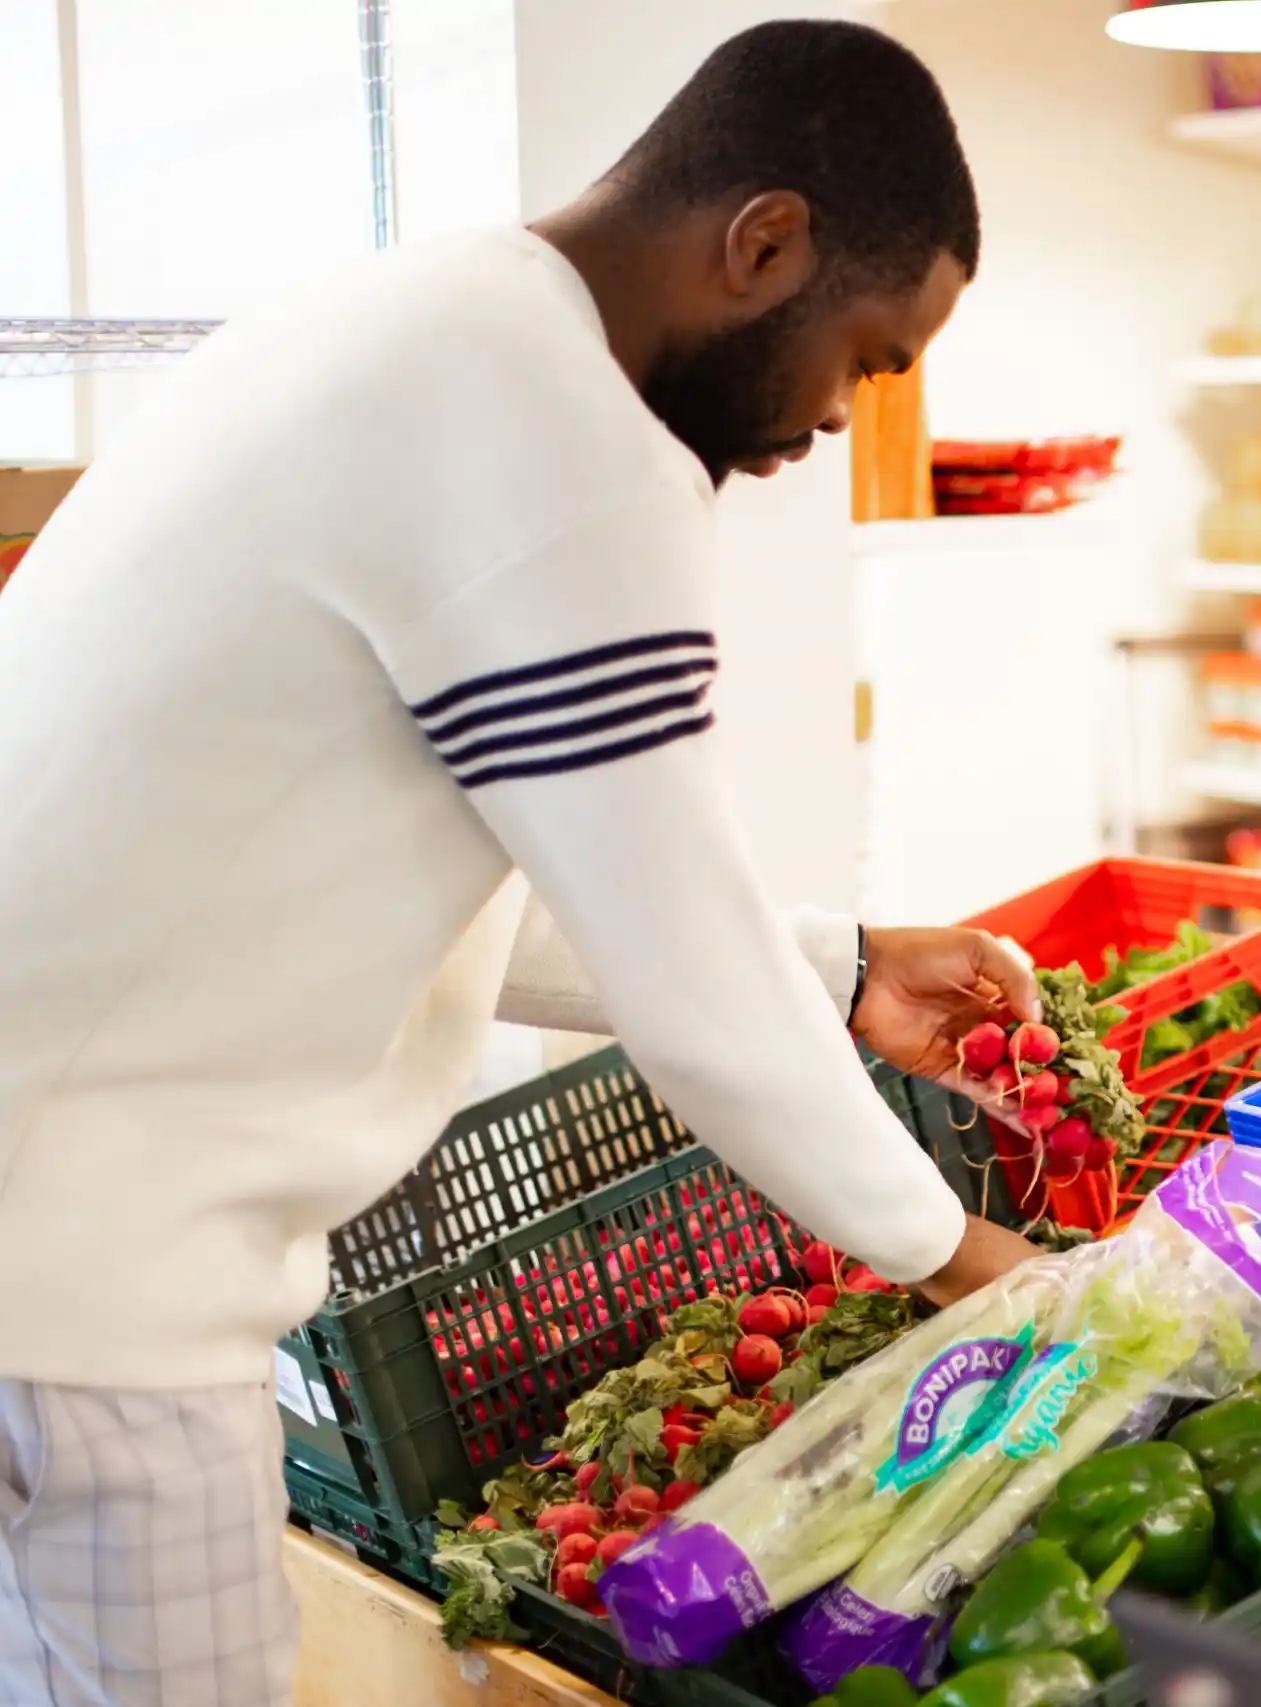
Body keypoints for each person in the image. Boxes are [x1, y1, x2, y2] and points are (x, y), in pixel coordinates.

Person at [0, 21, 1038, 1706]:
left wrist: (843, 973)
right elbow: (684, 974)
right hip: (92, 1261)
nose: (841, 418)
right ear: (761, 242)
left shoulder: (421, 317)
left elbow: (507, 873)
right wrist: (983, 1269)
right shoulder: (563, 438)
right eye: (865, 353)